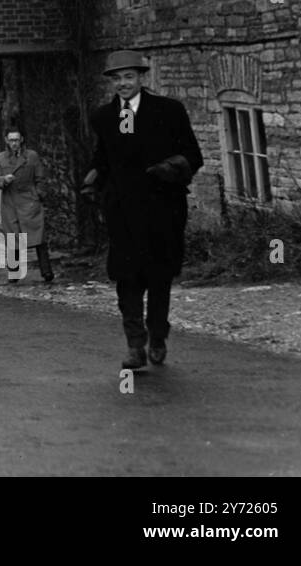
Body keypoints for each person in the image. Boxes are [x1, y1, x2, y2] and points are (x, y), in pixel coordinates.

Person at [83, 49, 202, 370]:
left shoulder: (169, 111)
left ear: (141, 77)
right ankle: (135, 345)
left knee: (159, 277)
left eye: (129, 77)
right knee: (127, 279)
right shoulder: (104, 118)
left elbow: (194, 155)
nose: (123, 83)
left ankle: (158, 336)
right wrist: (93, 177)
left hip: (164, 211)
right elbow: (103, 158)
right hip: (122, 213)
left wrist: (172, 166)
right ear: (111, 82)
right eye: (117, 78)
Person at [0, 128, 52, 283]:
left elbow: (40, 178)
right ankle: (14, 273)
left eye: (16, 140)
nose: (14, 143)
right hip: (10, 201)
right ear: (6, 140)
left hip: (29, 201)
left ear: (22, 140)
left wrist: (38, 195)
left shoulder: (31, 157)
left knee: (38, 237)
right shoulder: (0, 159)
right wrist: (3, 180)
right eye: (11, 140)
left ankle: (46, 272)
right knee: (13, 237)